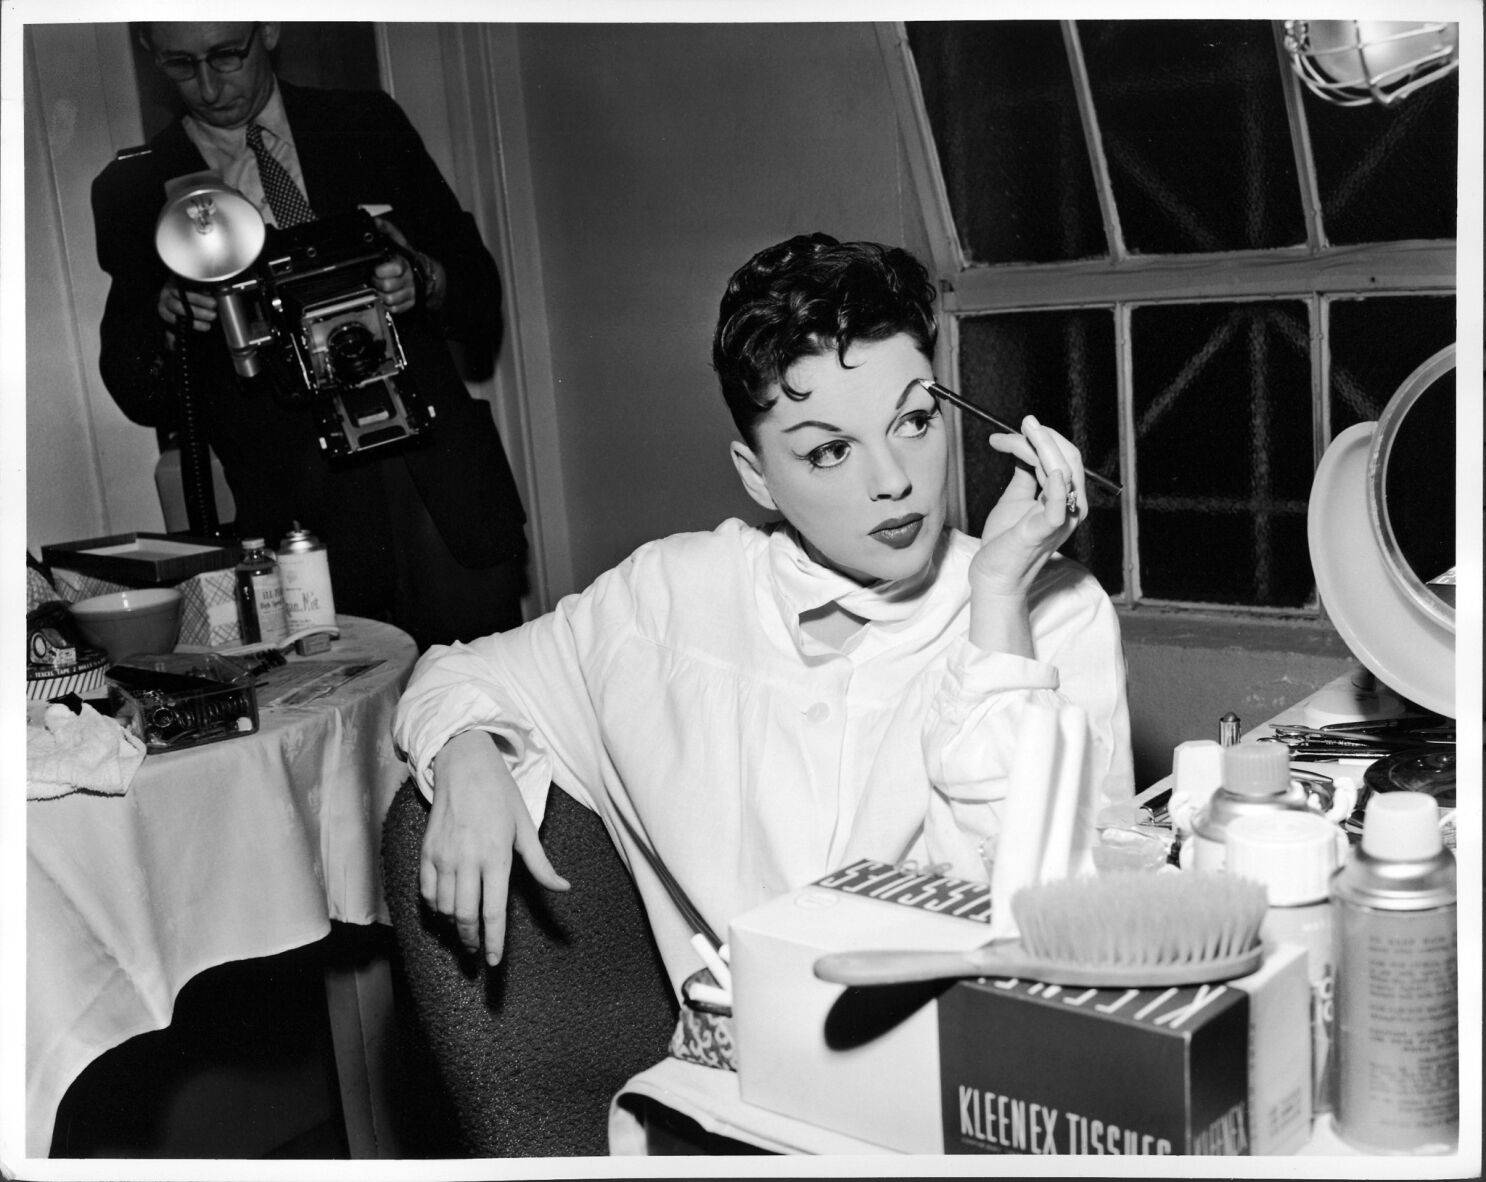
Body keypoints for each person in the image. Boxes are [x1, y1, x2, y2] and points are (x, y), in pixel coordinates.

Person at [393, 233, 1134, 992]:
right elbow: (454, 670)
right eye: (828, 452)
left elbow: (1054, 917)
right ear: (758, 478)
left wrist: (999, 594)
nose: (893, 481)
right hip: (739, 1085)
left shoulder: (1055, 611)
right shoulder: (667, 600)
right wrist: (466, 754)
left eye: (913, 421)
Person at [91, 21, 528, 650]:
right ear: (149, 56)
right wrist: (169, 324)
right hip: (302, 528)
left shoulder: (366, 122)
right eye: (181, 66)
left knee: (494, 709)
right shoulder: (134, 188)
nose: (211, 87)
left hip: (442, 496)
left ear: (268, 28)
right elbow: (135, 387)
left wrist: (422, 279)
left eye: (227, 55)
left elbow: (477, 294)